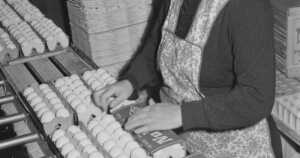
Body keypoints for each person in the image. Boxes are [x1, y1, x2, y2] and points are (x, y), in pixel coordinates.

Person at [94, 0, 280, 157]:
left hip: (235, 143)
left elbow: (257, 97)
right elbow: (156, 46)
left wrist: (182, 114)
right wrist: (131, 81)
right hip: (184, 137)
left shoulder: (247, 6)